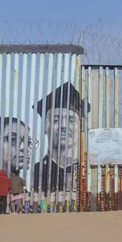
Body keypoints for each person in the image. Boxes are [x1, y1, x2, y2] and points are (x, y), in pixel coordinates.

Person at [32, 82, 90, 212]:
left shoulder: (85, 170)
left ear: (80, 126)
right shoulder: (39, 170)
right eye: (56, 120)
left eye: (70, 120)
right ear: (45, 127)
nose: (63, 126)